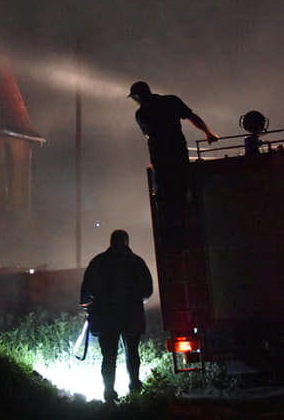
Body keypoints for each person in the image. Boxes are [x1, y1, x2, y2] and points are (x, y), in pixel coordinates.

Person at [80, 229, 154, 403]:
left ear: (111, 242)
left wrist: (89, 307)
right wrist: (136, 300)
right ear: (127, 242)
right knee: (132, 354)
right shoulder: (136, 262)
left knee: (109, 357)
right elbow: (147, 291)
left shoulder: (98, 262)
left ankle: (109, 394)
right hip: (131, 316)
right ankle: (134, 388)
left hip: (106, 318)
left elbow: (86, 292)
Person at [128, 81, 219, 209]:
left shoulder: (141, 114)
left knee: (164, 199)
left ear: (138, 96)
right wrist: (208, 133)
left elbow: (148, 134)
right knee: (184, 192)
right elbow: (192, 117)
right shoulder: (171, 101)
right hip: (179, 154)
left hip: (160, 161)